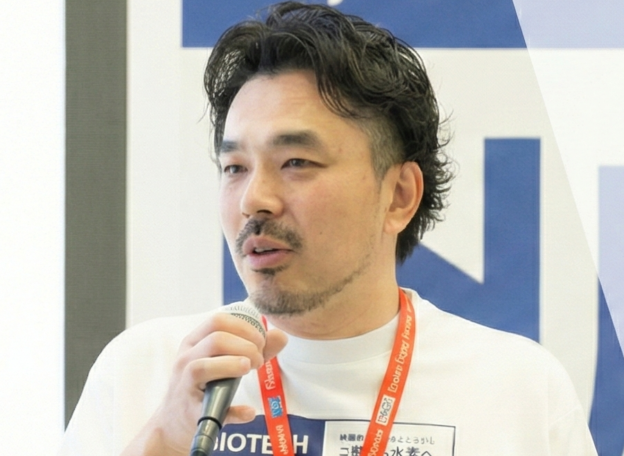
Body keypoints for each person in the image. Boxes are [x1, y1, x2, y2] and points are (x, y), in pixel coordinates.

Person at [58, 2, 598, 455]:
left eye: (296, 162)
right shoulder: (146, 371)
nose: (254, 200)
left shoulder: (519, 390)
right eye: (235, 167)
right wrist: (162, 439)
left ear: (399, 195)